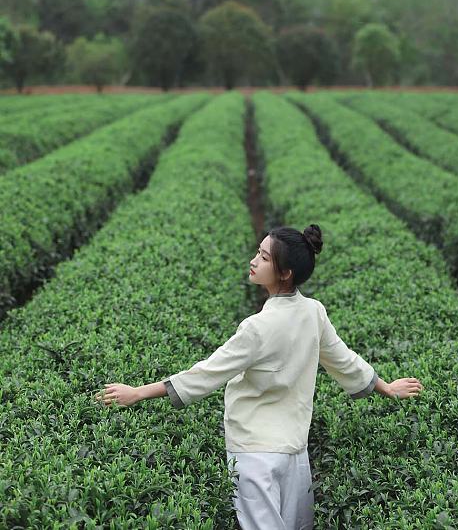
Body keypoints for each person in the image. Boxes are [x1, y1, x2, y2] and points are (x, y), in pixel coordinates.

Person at [95, 224, 424, 529]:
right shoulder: (314, 312)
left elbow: (206, 373)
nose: (254, 261)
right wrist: (387, 388)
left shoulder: (257, 328)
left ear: (284, 273)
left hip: (253, 453)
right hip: (294, 449)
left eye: (264, 257)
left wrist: (137, 392)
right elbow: (344, 360)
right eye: (258, 252)